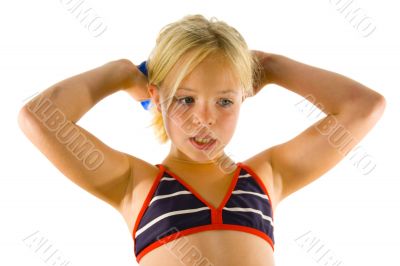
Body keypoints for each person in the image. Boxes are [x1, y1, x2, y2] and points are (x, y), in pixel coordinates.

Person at [17, 14, 386, 266]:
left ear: (244, 98)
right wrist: (120, 72)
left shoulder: (268, 177)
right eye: (185, 99)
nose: (205, 118)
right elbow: (39, 118)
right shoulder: (135, 184)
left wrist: (272, 66)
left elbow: (365, 106)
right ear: (158, 98)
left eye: (224, 100)